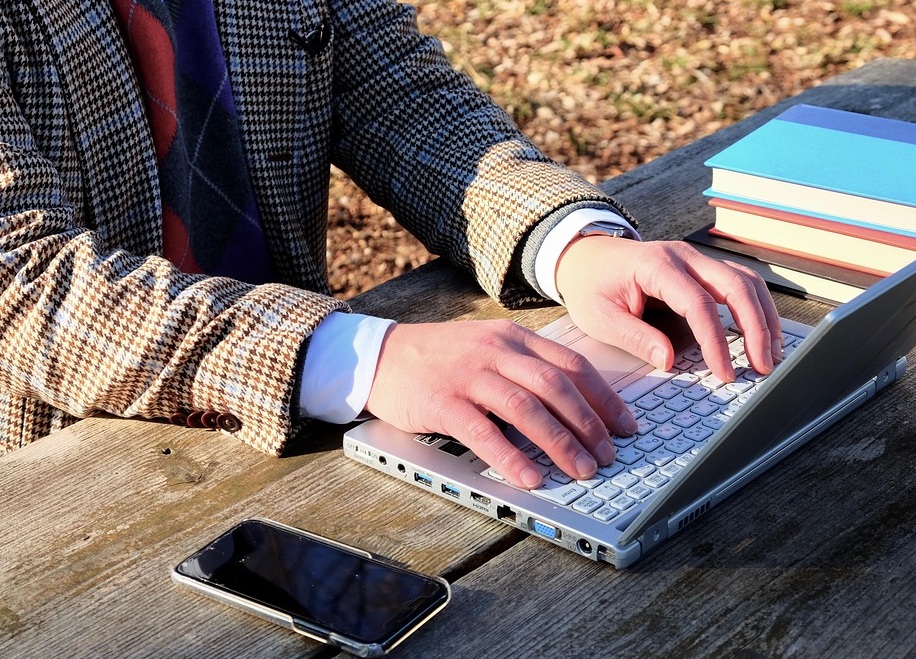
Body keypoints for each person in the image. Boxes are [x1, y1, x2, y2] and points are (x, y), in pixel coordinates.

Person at [0, 0, 782, 490]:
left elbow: (396, 93)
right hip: (67, 490)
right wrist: (359, 357)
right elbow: (20, 278)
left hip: (321, 446)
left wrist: (567, 239)